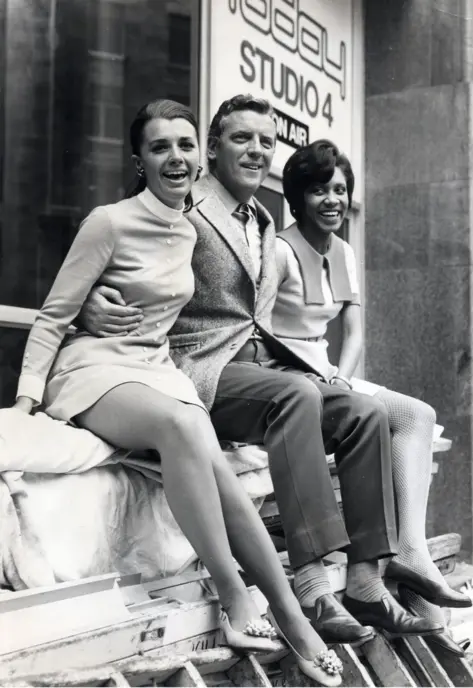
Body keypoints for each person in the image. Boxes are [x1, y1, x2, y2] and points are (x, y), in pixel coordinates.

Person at [79, 94, 442, 643]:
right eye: (241, 138)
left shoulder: (265, 219)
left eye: (266, 142)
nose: (255, 150)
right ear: (213, 149)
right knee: (296, 397)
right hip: (196, 368)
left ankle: (366, 581)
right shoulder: (182, 203)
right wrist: (92, 302)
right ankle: (314, 585)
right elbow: (121, 251)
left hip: (257, 366)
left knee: (364, 412)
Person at [11, 99, 344, 687]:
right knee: (186, 426)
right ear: (140, 159)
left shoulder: (195, 225)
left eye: (186, 145)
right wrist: (26, 400)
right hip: (94, 370)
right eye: (160, 147)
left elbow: (216, 305)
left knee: (215, 466)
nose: (176, 158)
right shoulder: (108, 221)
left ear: (201, 156)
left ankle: (293, 617)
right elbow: (52, 316)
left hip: (158, 370)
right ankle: (233, 593)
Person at [272, 138, 471, 648]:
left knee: (416, 415)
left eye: (339, 189)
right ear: (297, 198)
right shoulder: (278, 250)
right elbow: (256, 327)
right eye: (318, 190)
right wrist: (317, 378)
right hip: (284, 372)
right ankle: (397, 567)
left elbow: (355, 332)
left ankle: (410, 551)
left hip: (325, 370)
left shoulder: (343, 252)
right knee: (377, 419)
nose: (332, 200)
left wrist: (341, 374)